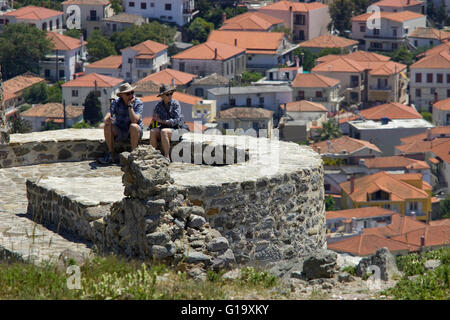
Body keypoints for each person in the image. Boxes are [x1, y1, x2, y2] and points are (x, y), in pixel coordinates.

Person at [98, 82, 143, 164]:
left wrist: (130, 106)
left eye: (132, 93)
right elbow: (107, 116)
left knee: (134, 126)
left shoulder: (138, 103)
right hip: (120, 130)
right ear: (122, 95)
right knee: (107, 126)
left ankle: (133, 155)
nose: (131, 95)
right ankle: (111, 154)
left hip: (133, 132)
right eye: (128, 94)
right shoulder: (116, 102)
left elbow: (134, 120)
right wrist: (107, 120)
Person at [150, 84, 184, 160]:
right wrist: (154, 122)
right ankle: (154, 155)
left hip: (175, 129)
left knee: (164, 131)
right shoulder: (158, 106)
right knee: (153, 131)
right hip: (163, 128)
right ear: (162, 96)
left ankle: (166, 156)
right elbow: (155, 122)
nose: (170, 96)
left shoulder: (175, 104)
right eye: (167, 94)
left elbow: (176, 120)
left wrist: (161, 121)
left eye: (171, 94)